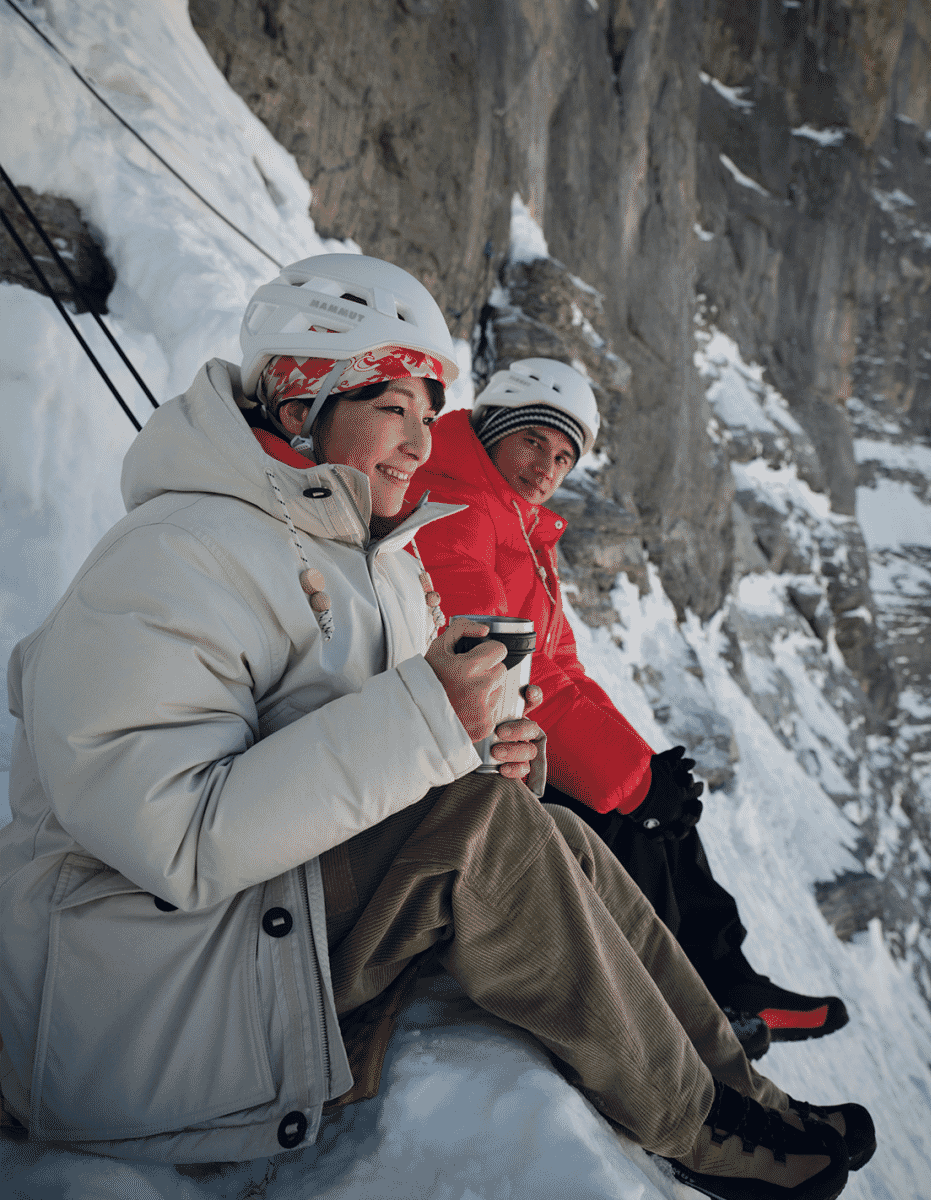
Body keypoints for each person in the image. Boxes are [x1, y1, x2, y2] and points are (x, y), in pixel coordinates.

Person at [0, 257, 873, 1195]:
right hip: (129, 1007)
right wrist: (426, 721)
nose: (420, 443)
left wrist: (497, 748)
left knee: (558, 832)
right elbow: (172, 836)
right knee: (483, 835)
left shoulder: (364, 559)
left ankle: (737, 1093)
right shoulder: (174, 557)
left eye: (429, 413)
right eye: (394, 409)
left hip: (246, 933)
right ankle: (701, 1132)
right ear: (301, 403)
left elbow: (381, 758)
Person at [408, 358, 850, 1056]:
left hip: (506, 734)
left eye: (562, 457)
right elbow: (497, 667)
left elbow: (562, 670)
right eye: (532, 442)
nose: (545, 467)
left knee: (662, 811)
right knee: (628, 824)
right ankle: (680, 1008)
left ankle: (727, 982)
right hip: (461, 745)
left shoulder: (516, 523)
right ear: (492, 427)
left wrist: (646, 768)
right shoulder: (456, 504)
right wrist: (632, 785)